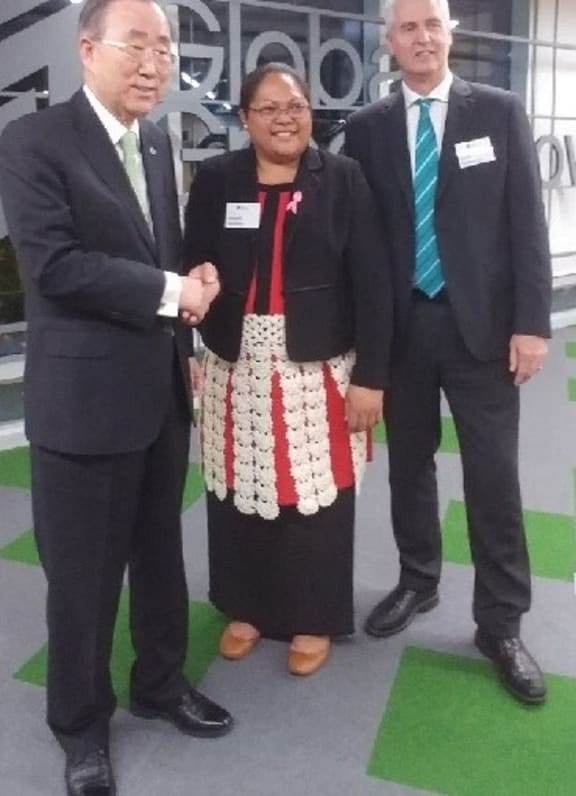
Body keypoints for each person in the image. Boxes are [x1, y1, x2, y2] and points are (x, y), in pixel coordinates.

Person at [0, 1, 232, 794]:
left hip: (158, 390)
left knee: (161, 557)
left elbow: (157, 253)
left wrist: (190, 286)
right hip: (83, 402)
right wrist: (171, 290)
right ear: (88, 48)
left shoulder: (159, 142)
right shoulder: (34, 141)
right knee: (84, 580)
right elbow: (55, 266)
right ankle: (80, 726)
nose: (154, 63)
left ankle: (160, 684)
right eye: (138, 45)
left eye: (165, 48)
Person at [345, 0, 552, 705]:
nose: (423, 37)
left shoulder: (497, 111)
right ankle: (418, 579)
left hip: (484, 331)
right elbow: (360, 242)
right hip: (403, 329)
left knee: (493, 477)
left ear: (450, 34)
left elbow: (526, 223)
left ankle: (501, 622)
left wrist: (532, 323)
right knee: (409, 466)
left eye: (433, 24)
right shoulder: (367, 129)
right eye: (408, 27)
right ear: (389, 42)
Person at [183, 63, 391, 677]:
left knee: (312, 494)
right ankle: (247, 608)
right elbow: (192, 263)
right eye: (269, 108)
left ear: (310, 114)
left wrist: (372, 377)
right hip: (234, 360)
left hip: (316, 363)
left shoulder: (343, 178)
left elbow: (373, 284)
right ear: (244, 118)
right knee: (240, 488)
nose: (284, 118)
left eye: (295, 106)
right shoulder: (217, 179)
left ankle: (311, 615)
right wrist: (190, 337)